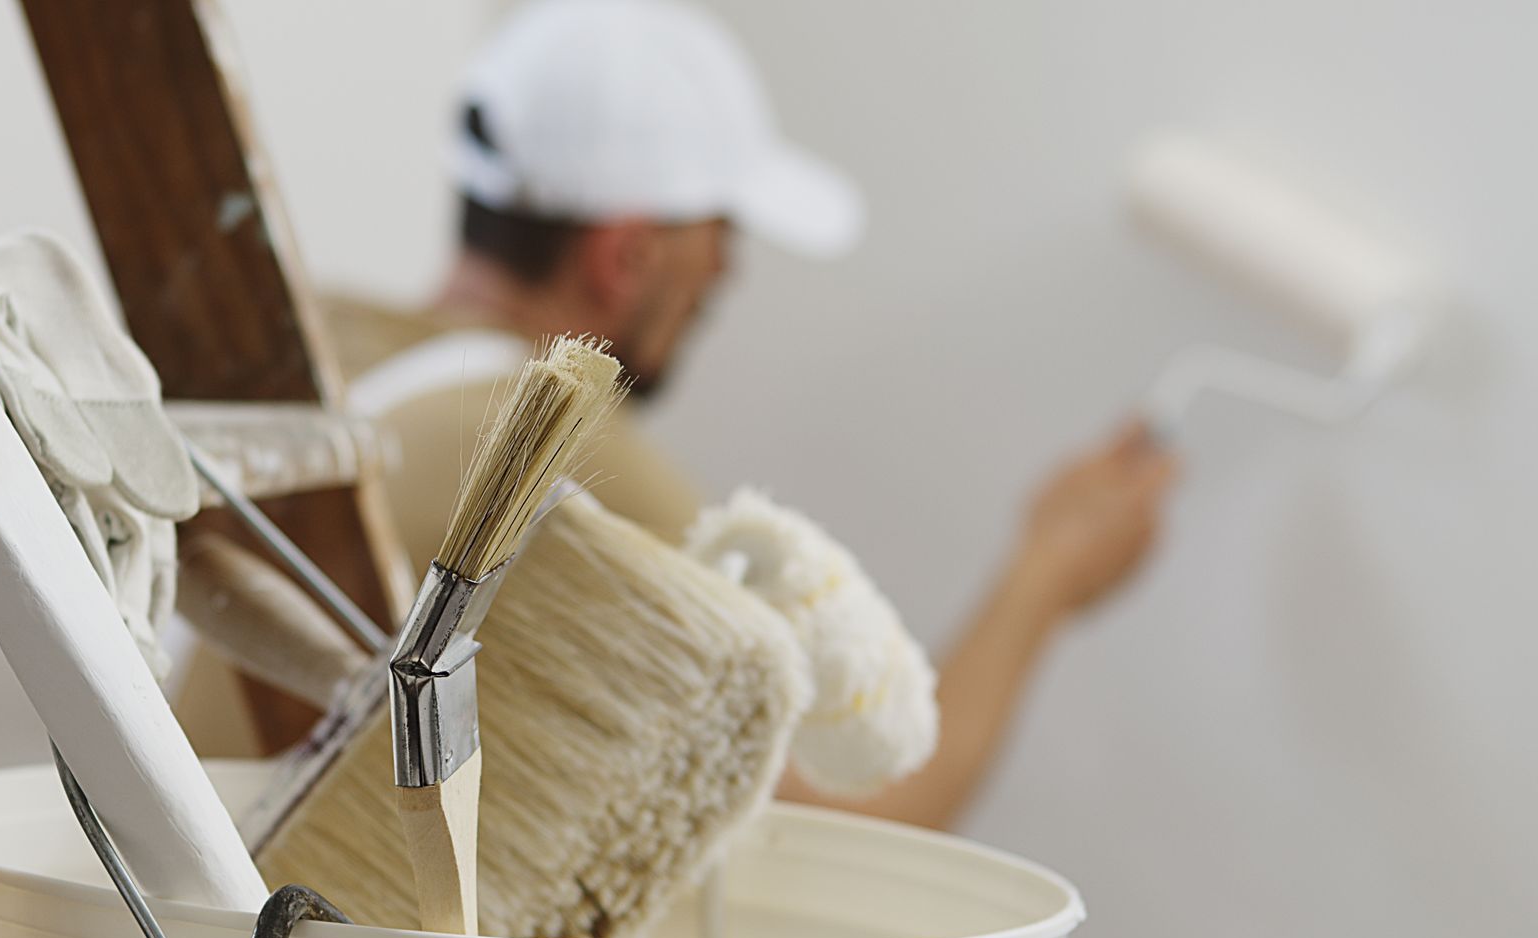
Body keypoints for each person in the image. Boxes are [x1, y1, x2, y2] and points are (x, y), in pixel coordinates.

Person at [182, 0, 1177, 830]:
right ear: (626, 257)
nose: (730, 269)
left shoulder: (325, 347)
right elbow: (851, 812)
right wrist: (1048, 571)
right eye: (720, 232)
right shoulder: (552, 466)